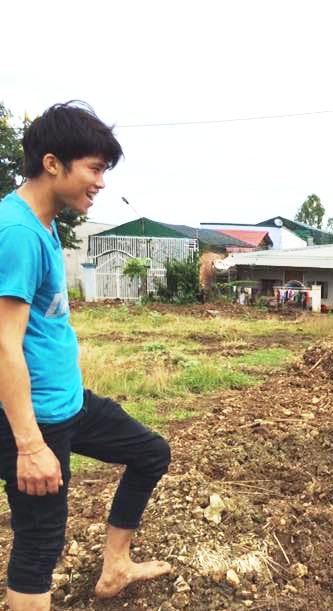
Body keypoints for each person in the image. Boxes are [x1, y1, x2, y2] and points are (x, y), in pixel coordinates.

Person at [0, 102, 172, 611]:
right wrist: (30, 445)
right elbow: (4, 343)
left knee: (150, 453)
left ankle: (116, 565)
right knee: (39, 545)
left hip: (67, 404)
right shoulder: (18, 234)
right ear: (53, 163)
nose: (100, 182)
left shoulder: (44, 223)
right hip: (37, 420)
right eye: (94, 169)